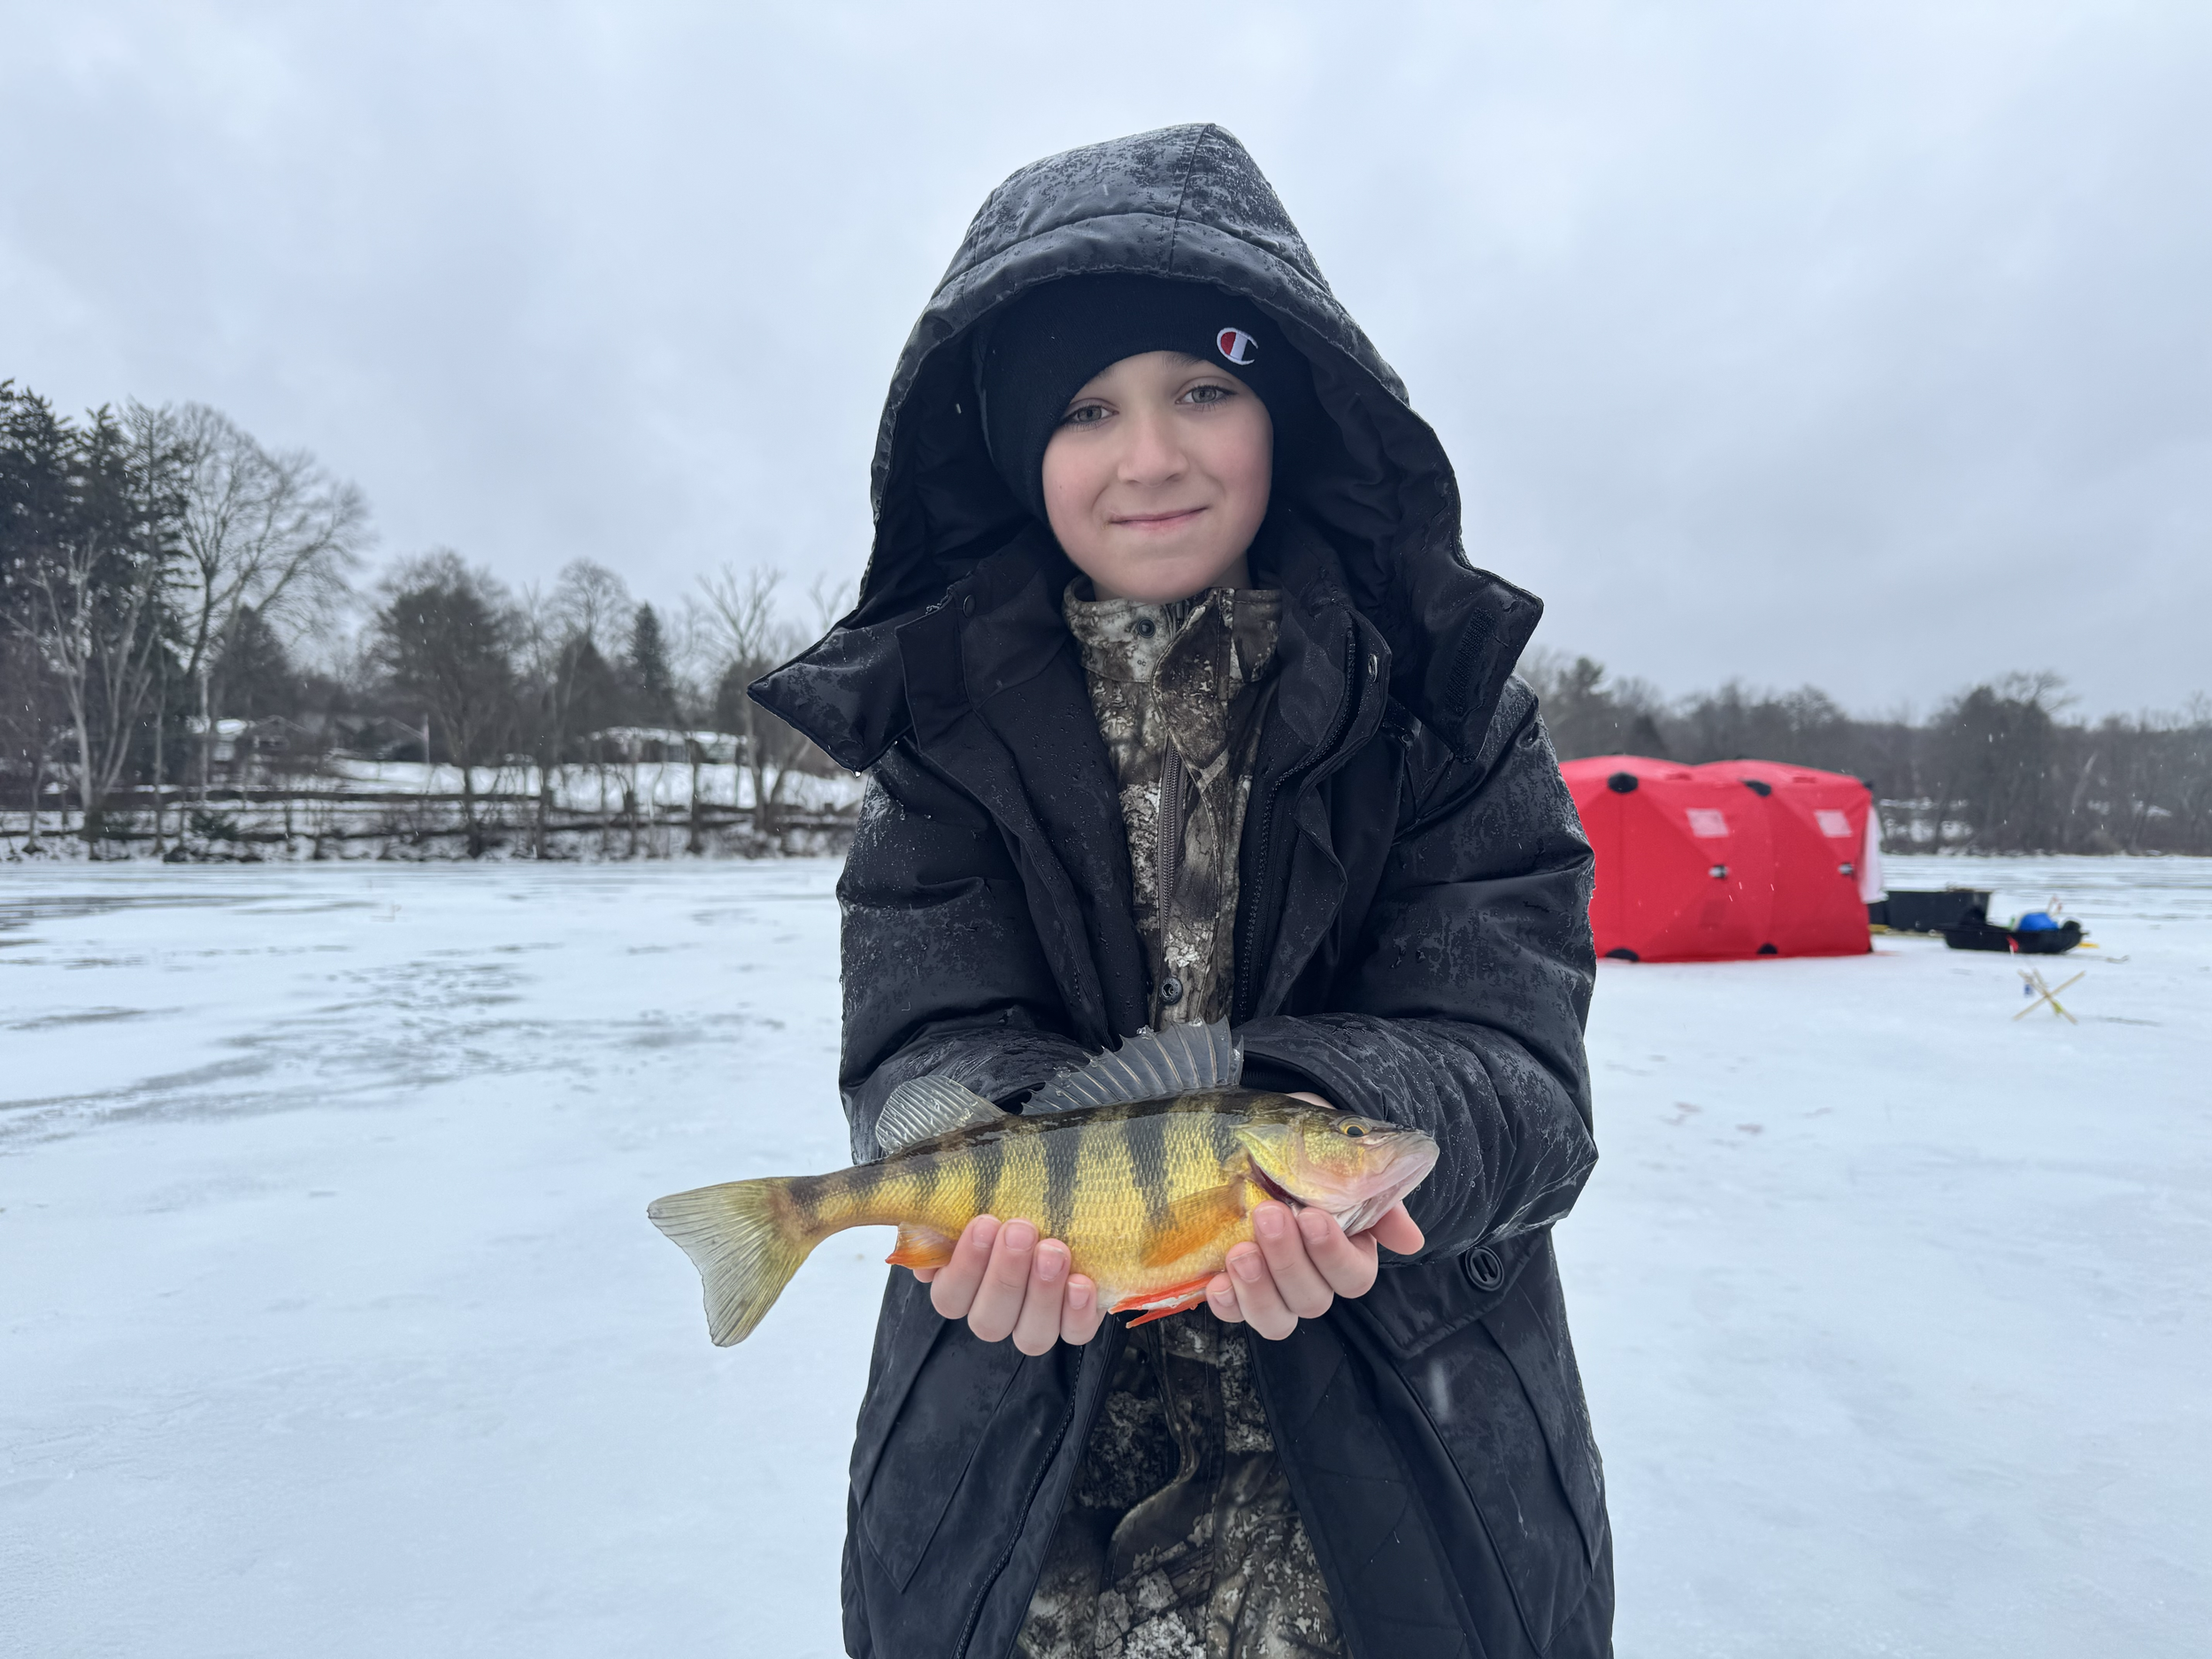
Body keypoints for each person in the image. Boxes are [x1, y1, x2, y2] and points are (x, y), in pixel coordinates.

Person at [754, 124, 1610, 1659]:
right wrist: (964, 1151)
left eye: (1204, 388)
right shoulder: (937, 739)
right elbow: (918, 1042)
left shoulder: (1450, 710)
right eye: (1088, 409)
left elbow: (1524, 1085)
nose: (1150, 455)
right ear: (1023, 454)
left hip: (1408, 1509)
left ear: (1285, 409)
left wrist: (1302, 1118)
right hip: (1020, 1516)